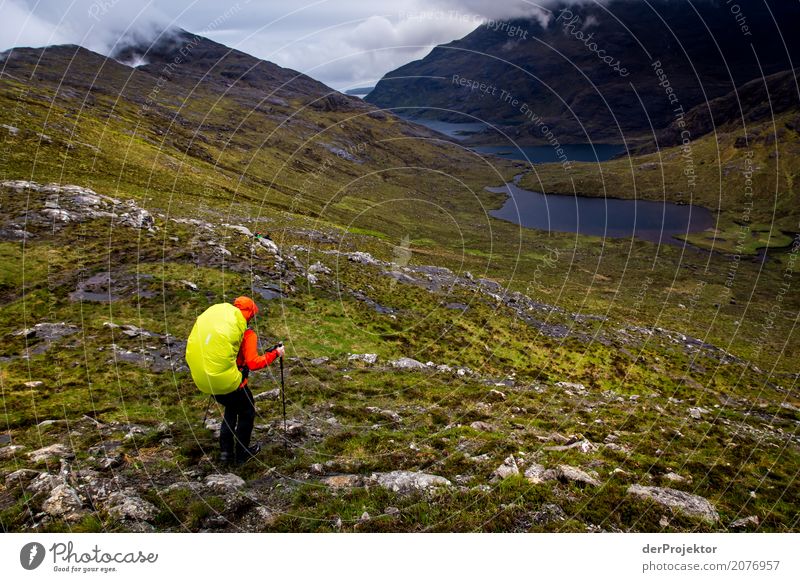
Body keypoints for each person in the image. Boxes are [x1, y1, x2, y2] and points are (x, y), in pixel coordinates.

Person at [185, 296, 284, 465]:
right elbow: (253, 363)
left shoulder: (224, 329)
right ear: (250, 314)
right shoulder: (247, 334)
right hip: (233, 384)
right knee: (247, 412)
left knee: (231, 411)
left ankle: (225, 453)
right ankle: (242, 455)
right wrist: (276, 353)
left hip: (212, 383)